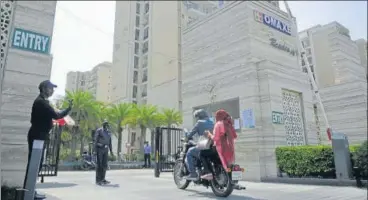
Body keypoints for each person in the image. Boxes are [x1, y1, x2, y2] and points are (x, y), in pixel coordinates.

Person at [23, 80, 72, 198]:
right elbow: (57, 115)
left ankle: (30, 191)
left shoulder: (43, 102)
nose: (53, 90)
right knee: (35, 164)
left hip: (39, 135)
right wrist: (69, 109)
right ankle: (29, 192)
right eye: (51, 88)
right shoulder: (41, 103)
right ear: (44, 88)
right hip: (38, 136)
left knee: (36, 164)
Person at [201, 109, 237, 179]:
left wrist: (209, 134)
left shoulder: (218, 124)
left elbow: (215, 138)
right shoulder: (229, 124)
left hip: (220, 148)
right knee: (229, 164)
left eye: (216, 116)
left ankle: (208, 172)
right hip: (231, 149)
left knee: (202, 154)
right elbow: (235, 136)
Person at [185, 109, 214, 181]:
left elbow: (190, 135)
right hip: (212, 146)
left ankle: (193, 174)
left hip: (204, 146)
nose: (197, 118)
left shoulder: (199, 123)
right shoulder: (212, 122)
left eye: (197, 117)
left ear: (199, 117)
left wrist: (186, 134)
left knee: (189, 152)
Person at [94, 120, 114, 185]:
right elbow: (96, 141)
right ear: (103, 124)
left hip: (106, 150)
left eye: (107, 124)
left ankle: (103, 179)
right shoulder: (99, 130)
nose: (106, 125)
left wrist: (111, 151)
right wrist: (95, 150)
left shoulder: (108, 132)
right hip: (100, 149)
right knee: (99, 165)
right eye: (105, 124)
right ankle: (98, 180)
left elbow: (110, 142)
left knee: (104, 165)